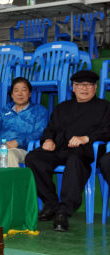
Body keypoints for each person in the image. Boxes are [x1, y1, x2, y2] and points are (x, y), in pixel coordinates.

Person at [25, 70, 110, 232]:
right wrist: (48, 140)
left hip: (87, 151)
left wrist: (86, 138)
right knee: (33, 158)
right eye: (79, 85)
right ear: (73, 88)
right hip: (60, 148)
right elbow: (50, 129)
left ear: (95, 87)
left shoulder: (105, 107)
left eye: (89, 85)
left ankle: (64, 211)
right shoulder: (62, 107)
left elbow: (108, 130)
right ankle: (51, 204)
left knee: (75, 159)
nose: (84, 89)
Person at [0, 77, 48, 167]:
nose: (20, 94)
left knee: (9, 156)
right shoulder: (5, 110)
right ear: (12, 95)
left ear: (29, 94)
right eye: (16, 90)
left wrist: (18, 141)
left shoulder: (39, 110)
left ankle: (11, 181)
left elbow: (39, 132)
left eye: (24, 90)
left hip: (20, 150)